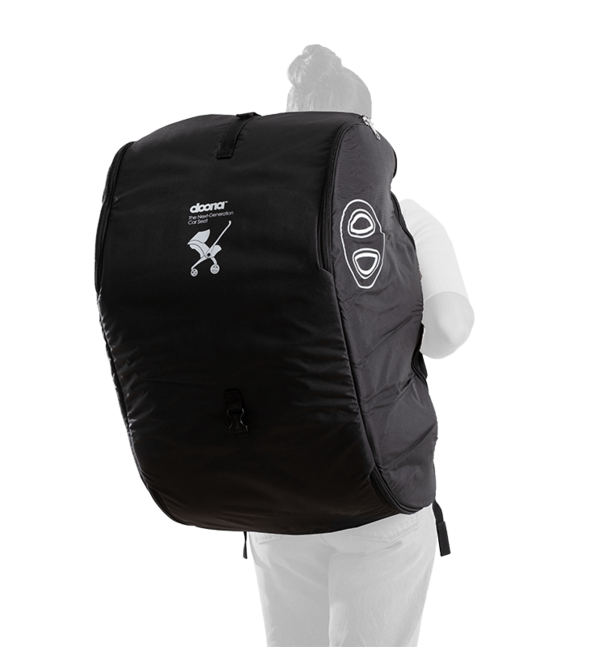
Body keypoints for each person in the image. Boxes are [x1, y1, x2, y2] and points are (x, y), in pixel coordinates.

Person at [247, 44, 475, 647]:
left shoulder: (247, 218)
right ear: (365, 131)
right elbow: (449, 330)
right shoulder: (402, 216)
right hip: (377, 485)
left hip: (274, 492)